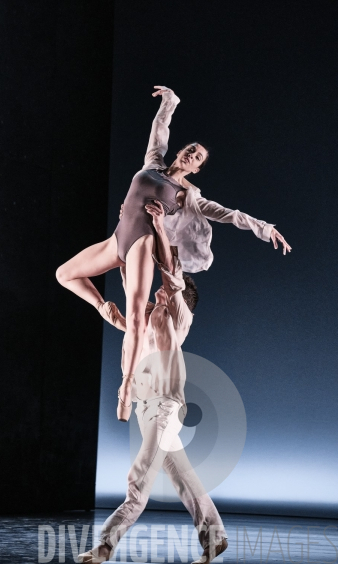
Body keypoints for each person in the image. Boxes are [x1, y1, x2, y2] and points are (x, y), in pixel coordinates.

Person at [56, 85, 292, 420]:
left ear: (196, 169)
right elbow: (159, 131)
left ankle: (125, 390)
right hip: (117, 240)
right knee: (65, 274)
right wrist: (170, 102)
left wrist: (266, 228)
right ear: (181, 151)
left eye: (197, 158)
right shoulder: (152, 163)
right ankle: (106, 311)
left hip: (141, 245)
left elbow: (230, 214)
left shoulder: (185, 196)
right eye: (190, 149)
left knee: (137, 317)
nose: (191, 154)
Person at [78, 200, 228, 564]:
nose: (159, 288)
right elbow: (133, 279)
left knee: (139, 476)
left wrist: (159, 227)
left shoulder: (178, 316)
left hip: (164, 405)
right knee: (183, 478)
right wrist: (128, 228)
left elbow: (171, 274)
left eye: (165, 288)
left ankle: (105, 545)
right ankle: (215, 536)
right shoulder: (145, 316)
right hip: (146, 408)